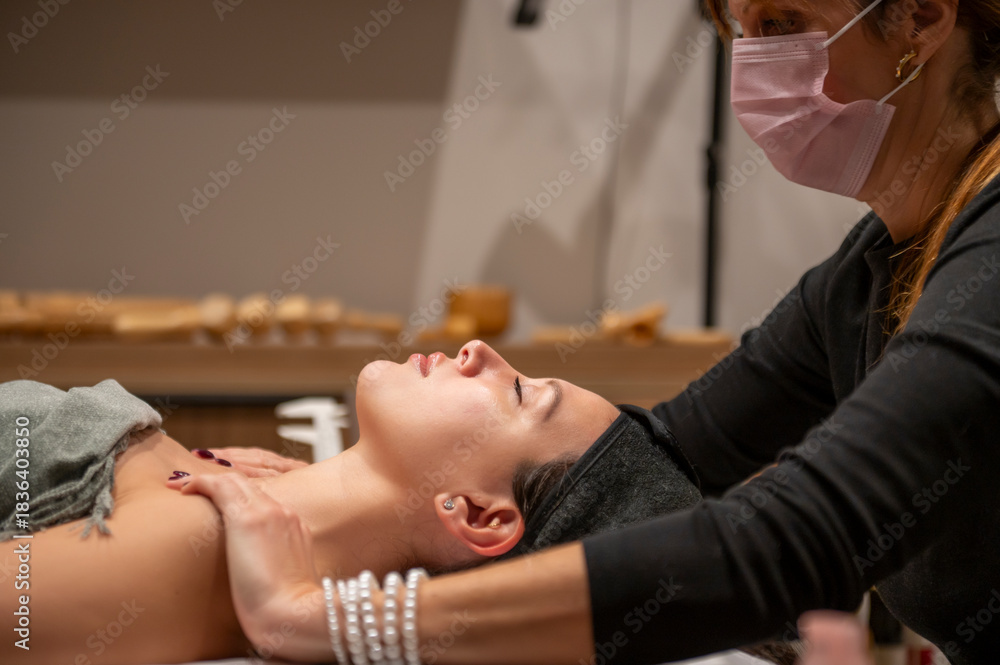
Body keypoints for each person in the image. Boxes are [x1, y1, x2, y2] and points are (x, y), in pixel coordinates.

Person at [175, 1, 1000, 664]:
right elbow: (651, 456)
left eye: (782, 24)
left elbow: (798, 538)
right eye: (741, 30)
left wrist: (344, 619)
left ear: (923, 17)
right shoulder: (865, 276)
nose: (753, 63)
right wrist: (354, 496)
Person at [1, 340, 711, 665]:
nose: (479, 351)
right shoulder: (229, 493)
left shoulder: (202, 542)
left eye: (520, 392)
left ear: (478, 514)